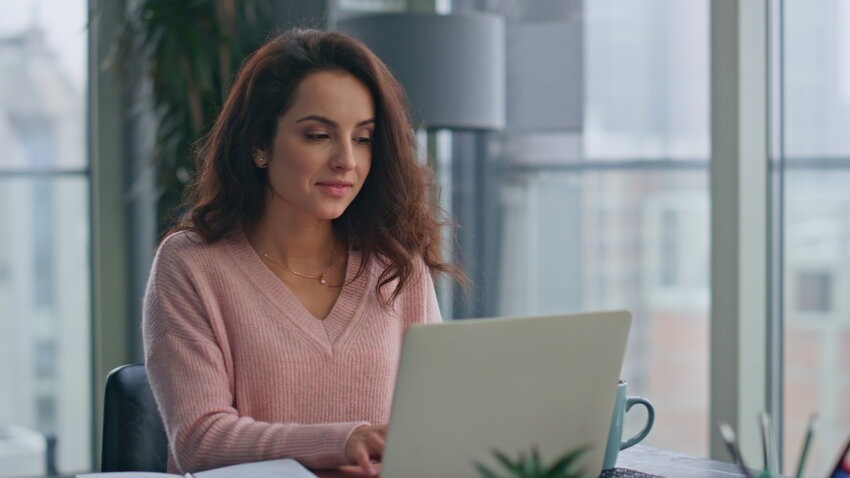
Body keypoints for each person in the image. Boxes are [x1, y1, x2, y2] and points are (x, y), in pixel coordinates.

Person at [142, 28, 459, 476]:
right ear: (259, 145)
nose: (347, 160)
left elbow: (438, 428)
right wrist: (343, 443)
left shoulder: (396, 266)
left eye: (363, 138)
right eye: (318, 135)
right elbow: (200, 439)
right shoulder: (191, 265)